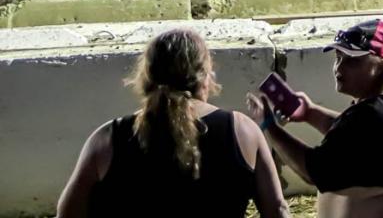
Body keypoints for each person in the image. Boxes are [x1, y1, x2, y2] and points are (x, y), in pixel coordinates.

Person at [56, 27, 288, 218]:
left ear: (146, 76)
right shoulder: (243, 130)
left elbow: (67, 213)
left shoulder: (107, 139)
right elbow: (277, 210)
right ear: (205, 76)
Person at [247, 18, 383, 218]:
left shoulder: (372, 115)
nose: (338, 68)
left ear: (378, 65)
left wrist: (267, 126)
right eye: (338, 57)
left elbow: (311, 171)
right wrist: (310, 112)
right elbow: (358, 139)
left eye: (351, 61)